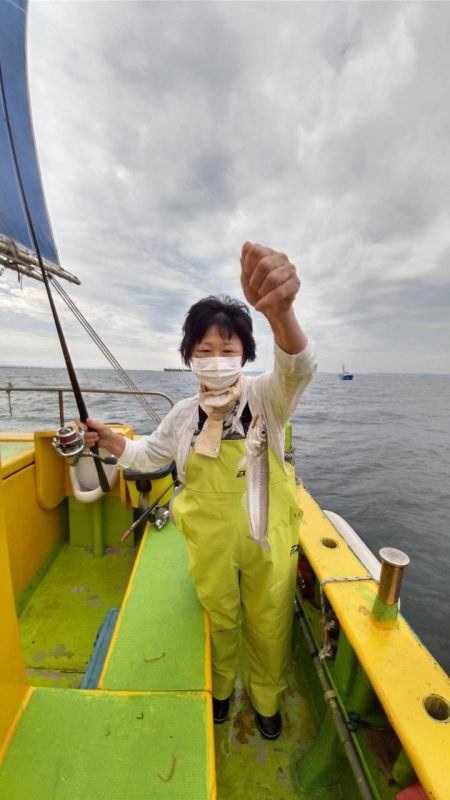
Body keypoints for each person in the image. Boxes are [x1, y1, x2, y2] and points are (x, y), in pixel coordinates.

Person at [85, 241, 317, 740]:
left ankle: (266, 698)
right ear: (189, 357)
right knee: (221, 616)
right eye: (204, 352)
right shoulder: (184, 415)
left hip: (268, 535)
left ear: (245, 356)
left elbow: (297, 368)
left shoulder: (265, 399)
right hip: (208, 539)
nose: (215, 360)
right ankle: (219, 690)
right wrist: (113, 442)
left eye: (227, 351)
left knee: (269, 618)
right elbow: (150, 456)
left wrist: (282, 314)